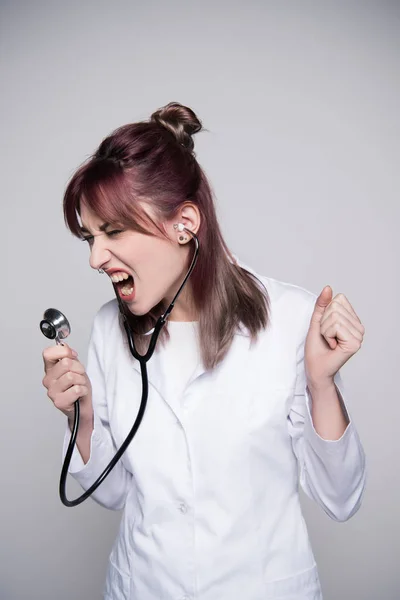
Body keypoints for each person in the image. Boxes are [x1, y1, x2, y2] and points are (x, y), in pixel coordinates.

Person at [41, 102, 366, 600]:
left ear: (184, 224)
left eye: (112, 231)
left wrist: (321, 385)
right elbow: (108, 494)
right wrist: (80, 418)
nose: (95, 258)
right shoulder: (110, 329)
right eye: (88, 237)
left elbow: (341, 500)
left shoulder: (292, 318)